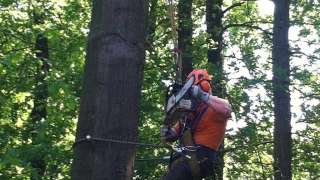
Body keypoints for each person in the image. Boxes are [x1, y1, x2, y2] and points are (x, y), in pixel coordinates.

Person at [161, 69, 231, 180]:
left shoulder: (215, 107)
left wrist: (202, 95)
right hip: (186, 157)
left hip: (203, 156)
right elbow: (173, 134)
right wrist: (166, 131)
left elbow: (227, 109)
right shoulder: (189, 114)